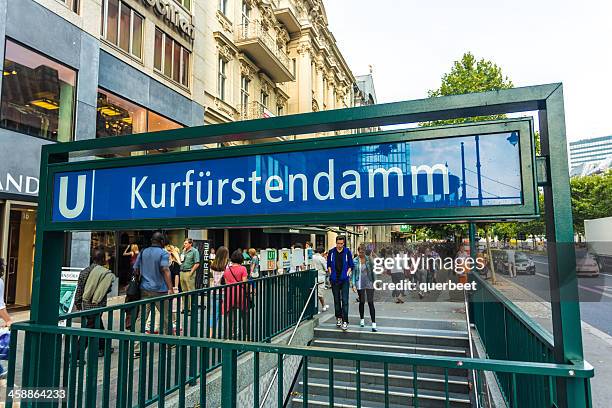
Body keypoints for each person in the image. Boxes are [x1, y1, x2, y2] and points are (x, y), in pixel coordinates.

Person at [133, 232, 175, 357]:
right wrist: (171, 288)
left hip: (145, 289)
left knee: (141, 318)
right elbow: (165, 269)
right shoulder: (163, 253)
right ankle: (169, 341)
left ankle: (137, 348)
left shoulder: (143, 252)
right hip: (160, 290)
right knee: (166, 315)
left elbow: (136, 269)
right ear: (161, 241)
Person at [74, 247, 115, 358]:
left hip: (86, 306)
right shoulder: (105, 274)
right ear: (102, 259)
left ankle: (103, 347)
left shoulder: (84, 271)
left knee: (98, 325)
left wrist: (77, 303)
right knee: (88, 331)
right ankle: (77, 355)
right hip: (98, 306)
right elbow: (108, 289)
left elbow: (79, 289)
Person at [327, 236, 354, 331]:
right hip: (334, 279)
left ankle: (345, 321)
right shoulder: (331, 252)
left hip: (344, 280)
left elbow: (351, 265)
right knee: (336, 300)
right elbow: (329, 265)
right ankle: (338, 317)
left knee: (345, 301)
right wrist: (331, 273)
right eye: (338, 243)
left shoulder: (347, 252)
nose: (339, 245)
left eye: (341, 243)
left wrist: (347, 273)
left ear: (344, 243)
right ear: (336, 243)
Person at [223, 250, 249, 340]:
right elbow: (244, 282)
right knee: (244, 314)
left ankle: (231, 333)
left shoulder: (227, 270)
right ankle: (246, 333)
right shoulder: (243, 269)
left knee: (230, 315)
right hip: (240, 293)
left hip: (229, 293)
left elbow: (226, 283)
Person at [352, 245, 377, 331]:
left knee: (370, 302)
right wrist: (353, 284)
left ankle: (374, 323)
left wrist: (375, 282)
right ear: (358, 251)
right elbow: (353, 273)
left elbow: (374, 271)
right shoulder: (355, 260)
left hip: (369, 282)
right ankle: (362, 319)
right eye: (360, 252)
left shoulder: (369, 259)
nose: (361, 254)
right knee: (362, 301)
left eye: (363, 252)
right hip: (359, 282)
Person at [208, 246, 229, 336]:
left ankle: (211, 334)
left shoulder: (213, 265)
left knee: (214, 314)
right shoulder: (227, 266)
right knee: (228, 313)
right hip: (225, 292)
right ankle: (228, 334)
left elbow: (212, 278)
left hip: (215, 291)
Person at [180, 238, 200, 311]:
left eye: (186, 243)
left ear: (190, 244)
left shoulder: (194, 251)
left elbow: (197, 263)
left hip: (189, 272)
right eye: (184, 243)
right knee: (184, 291)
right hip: (182, 272)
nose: (184, 245)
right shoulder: (183, 251)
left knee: (191, 290)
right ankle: (185, 308)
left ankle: (192, 308)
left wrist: (191, 272)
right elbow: (181, 260)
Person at [312, 247, 329, 312]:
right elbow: (326, 268)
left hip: (312, 276)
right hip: (321, 276)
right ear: (322, 252)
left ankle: (315, 308)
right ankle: (323, 306)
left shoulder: (312, 257)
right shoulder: (321, 258)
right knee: (320, 293)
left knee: (313, 292)